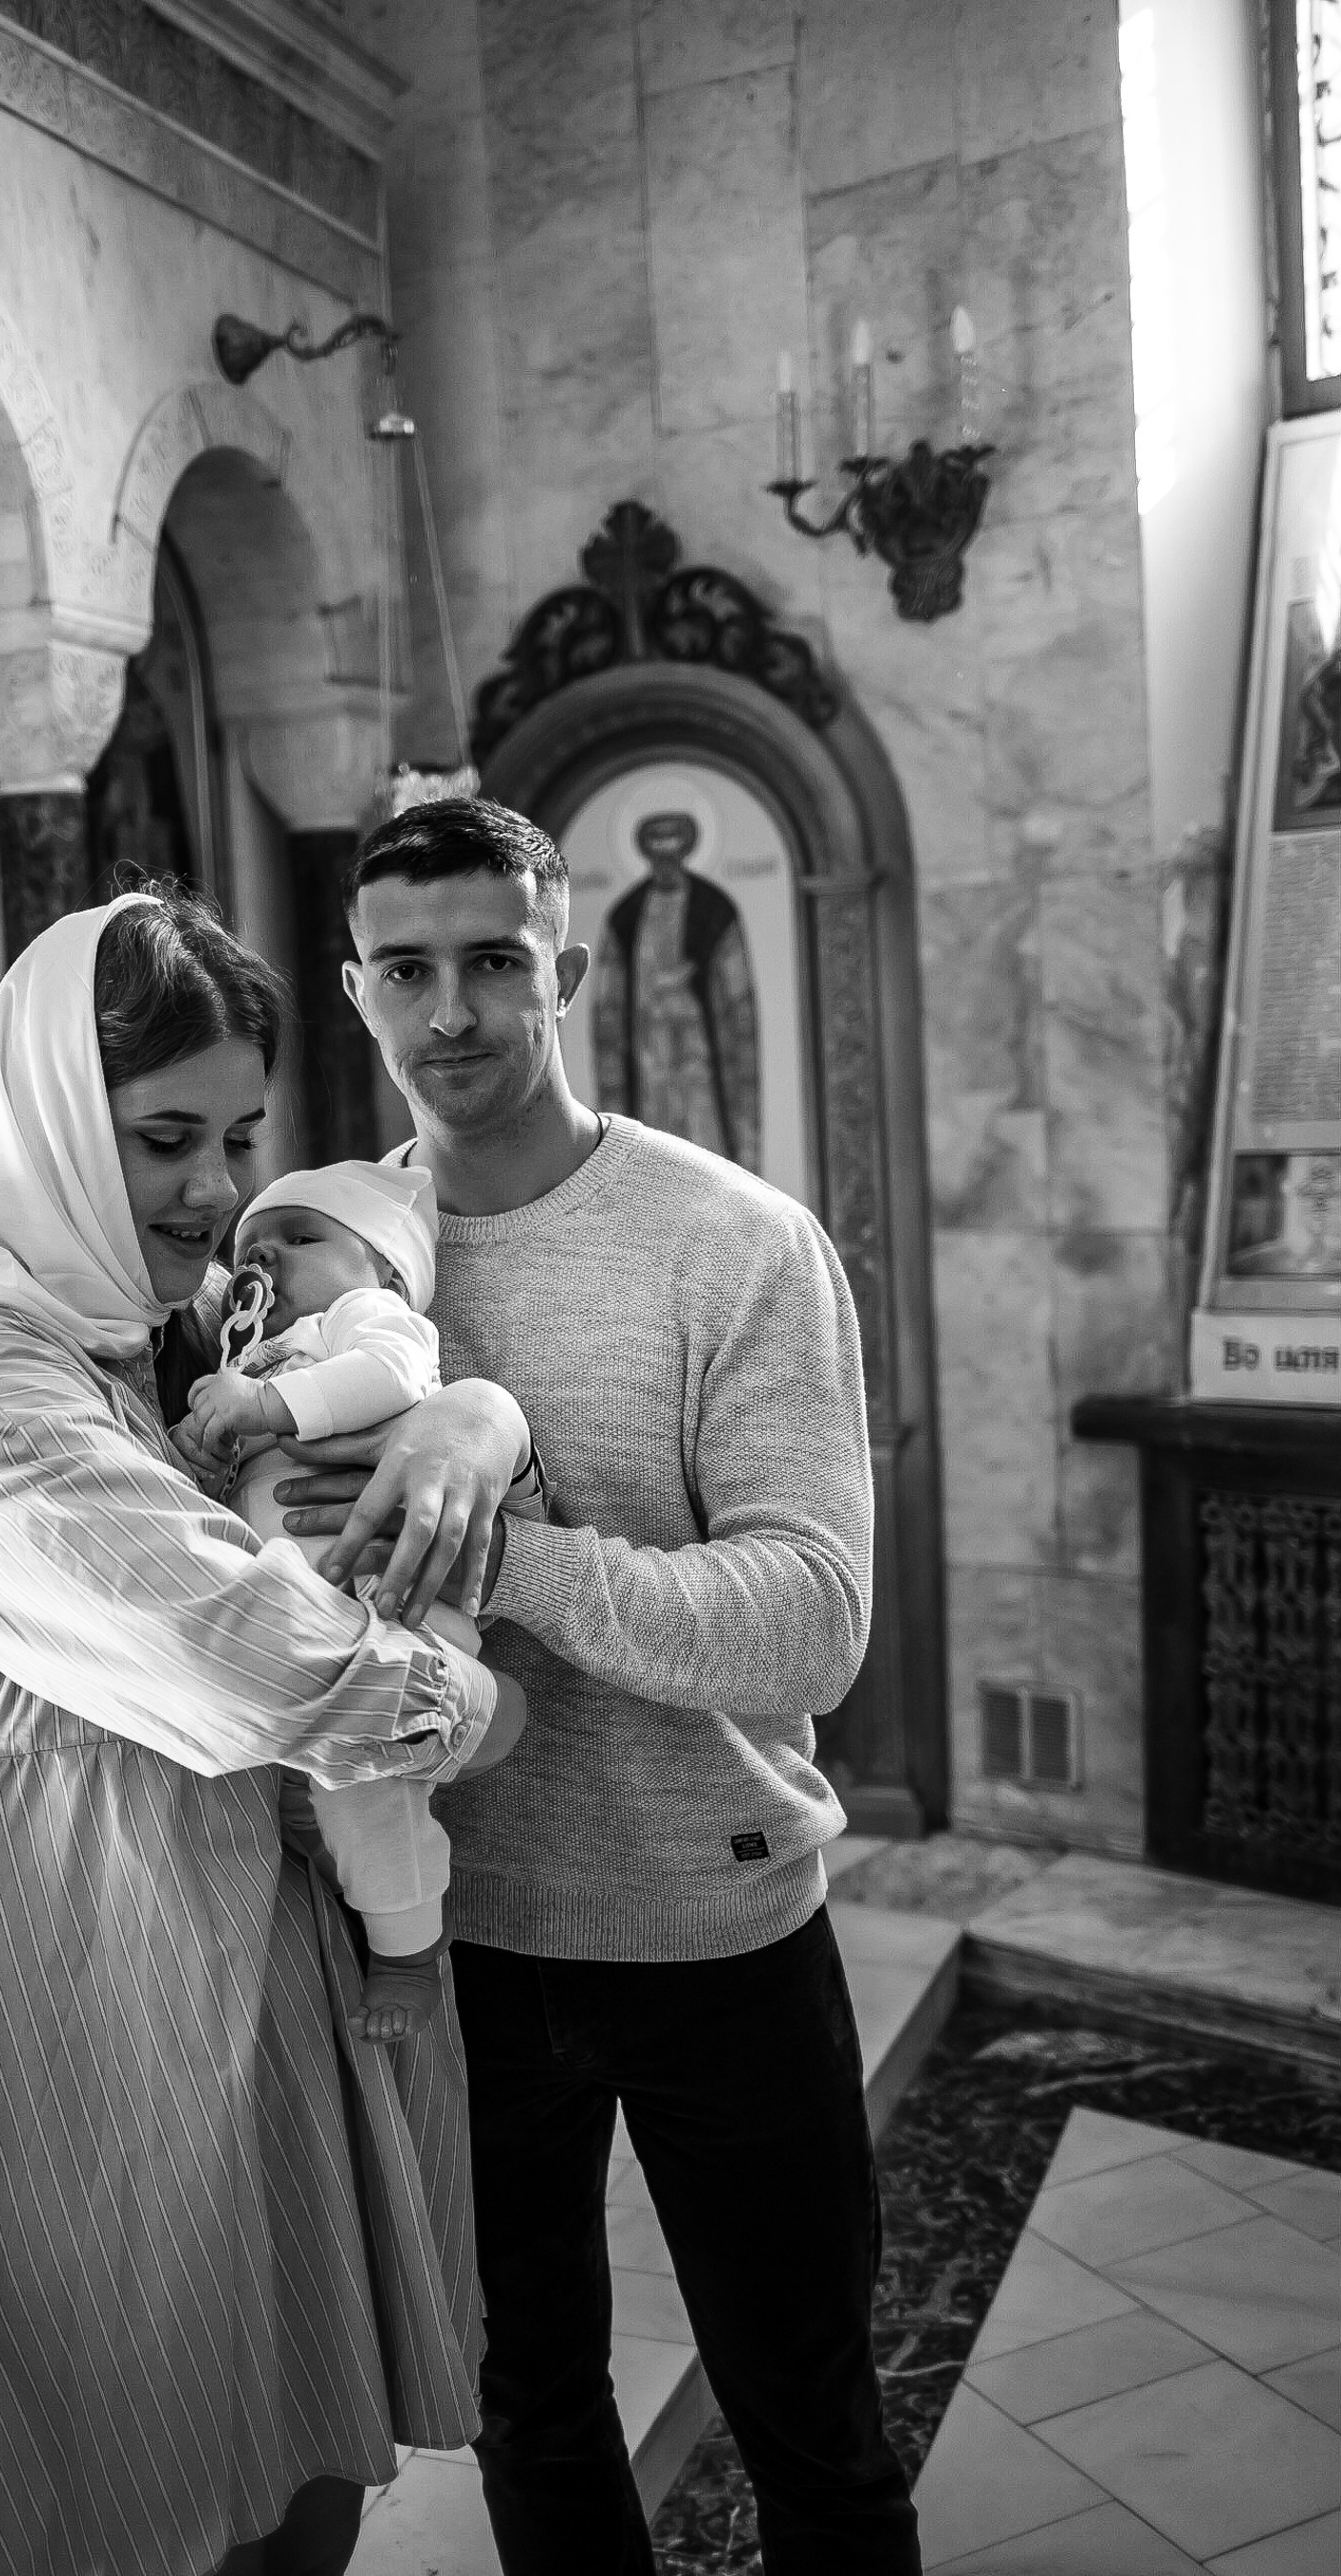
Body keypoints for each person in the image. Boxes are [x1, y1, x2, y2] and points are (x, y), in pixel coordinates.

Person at [0, 887, 532, 2576]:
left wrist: (476, 1415)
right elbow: (255, 1664)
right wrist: (477, 1707)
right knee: (93, 2503)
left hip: (205, 1977)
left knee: (273, 2488)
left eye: (240, 1136)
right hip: (54, 2008)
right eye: (163, 1138)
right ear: (47, 1128)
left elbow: (389, 1377)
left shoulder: (115, 1343)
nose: (215, 1190)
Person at [280, 799, 920, 2574]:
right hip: (452, 1940)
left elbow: (812, 1625)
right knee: (533, 2417)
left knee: (815, 2430)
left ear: (564, 974)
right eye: (406, 971)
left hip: (715, 1922)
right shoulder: (330, 1255)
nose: (452, 1012)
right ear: (356, 990)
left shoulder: (734, 1244)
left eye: (495, 962)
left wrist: (502, 1556)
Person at [175, 1157, 494, 2045]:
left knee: (368, 1792)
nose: (266, 1258)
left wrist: (264, 1403)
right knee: (310, 1802)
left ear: (384, 1271)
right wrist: (202, 1444)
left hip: (383, 1611)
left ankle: (407, 1950)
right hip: (302, 1622)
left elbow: (395, 1375)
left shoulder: (366, 1320)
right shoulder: (256, 1353)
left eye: (301, 1236)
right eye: (251, 1248)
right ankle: (362, 1906)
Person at [589, 804, 760, 1173]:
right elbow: (609, 1006)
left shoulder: (713, 911)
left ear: (686, 851)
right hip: (649, 1052)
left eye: (673, 850)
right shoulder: (626, 915)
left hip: (699, 1054)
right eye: (658, 852)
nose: (665, 862)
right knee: (655, 1143)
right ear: (646, 855)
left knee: (705, 1137)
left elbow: (738, 1002)